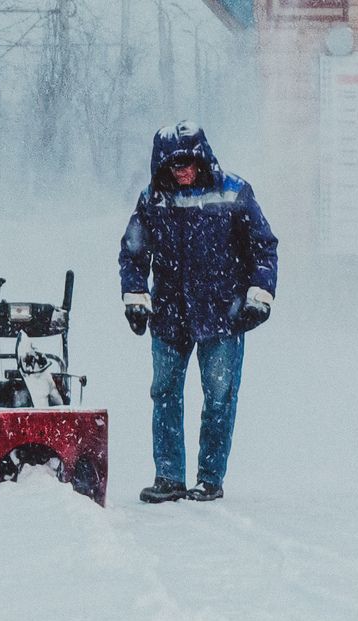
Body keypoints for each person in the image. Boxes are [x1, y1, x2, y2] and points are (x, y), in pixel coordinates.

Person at [119, 121, 278, 503]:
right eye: (175, 165)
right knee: (165, 393)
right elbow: (134, 253)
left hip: (224, 315)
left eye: (188, 162)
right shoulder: (152, 199)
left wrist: (259, 296)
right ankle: (169, 477)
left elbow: (263, 247)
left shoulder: (234, 193)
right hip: (170, 316)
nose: (183, 171)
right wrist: (136, 298)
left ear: (202, 157)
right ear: (162, 165)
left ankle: (209, 478)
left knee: (219, 398)